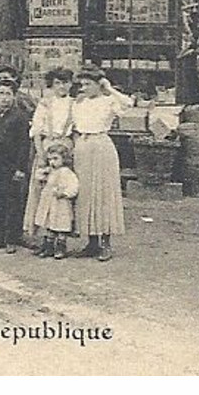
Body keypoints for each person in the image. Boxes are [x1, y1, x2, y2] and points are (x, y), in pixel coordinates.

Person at [72, 67, 132, 261]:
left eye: (88, 84)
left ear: (99, 84)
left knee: (103, 193)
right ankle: (91, 242)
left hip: (101, 147)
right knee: (86, 194)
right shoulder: (79, 103)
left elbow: (128, 104)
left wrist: (109, 88)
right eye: (82, 84)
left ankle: (106, 243)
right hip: (82, 146)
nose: (84, 87)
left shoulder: (109, 101)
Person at [24, 68, 76, 242]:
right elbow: (36, 131)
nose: (62, 86)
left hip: (66, 147)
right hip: (47, 147)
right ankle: (42, 236)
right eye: (58, 83)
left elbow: (76, 130)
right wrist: (41, 155)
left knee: (64, 189)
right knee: (42, 189)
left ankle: (62, 236)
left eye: (66, 82)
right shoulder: (45, 103)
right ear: (52, 85)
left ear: (71, 84)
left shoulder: (74, 103)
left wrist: (72, 151)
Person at [0, 82, 29, 252]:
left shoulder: (20, 117)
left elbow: (23, 145)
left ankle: (12, 238)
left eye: (8, 94)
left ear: (14, 96)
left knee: (13, 202)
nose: (4, 98)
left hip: (11, 166)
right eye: (1, 93)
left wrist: (20, 168)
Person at [31, 142, 81, 259]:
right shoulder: (50, 171)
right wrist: (43, 172)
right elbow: (38, 177)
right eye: (50, 159)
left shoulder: (66, 172)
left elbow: (74, 186)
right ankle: (48, 247)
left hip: (61, 203)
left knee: (61, 225)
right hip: (49, 202)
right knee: (49, 224)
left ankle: (60, 248)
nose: (52, 162)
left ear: (64, 159)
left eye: (55, 159)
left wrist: (65, 193)